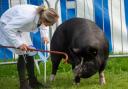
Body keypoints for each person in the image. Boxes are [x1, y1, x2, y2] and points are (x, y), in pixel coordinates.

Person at [0, 4, 59, 89]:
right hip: (7, 25)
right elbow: (8, 29)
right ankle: (23, 85)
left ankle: (32, 81)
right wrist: (19, 44)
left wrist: (44, 36)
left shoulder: (43, 14)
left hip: (20, 27)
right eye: (49, 24)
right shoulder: (27, 17)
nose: (49, 26)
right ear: (44, 19)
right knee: (23, 52)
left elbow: (43, 24)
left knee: (30, 52)